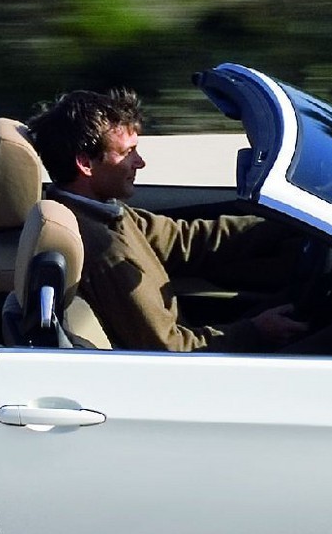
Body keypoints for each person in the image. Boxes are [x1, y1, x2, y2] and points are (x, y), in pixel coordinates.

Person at [27, 86, 315, 353]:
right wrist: (254, 332)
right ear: (86, 164)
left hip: (199, 351)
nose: (140, 162)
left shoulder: (99, 211)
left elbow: (184, 238)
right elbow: (168, 349)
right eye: (128, 153)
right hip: (200, 375)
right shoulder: (105, 253)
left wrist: (289, 221)